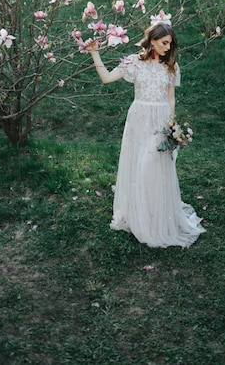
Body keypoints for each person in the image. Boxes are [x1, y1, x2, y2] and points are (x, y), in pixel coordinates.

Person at [84, 19, 205, 248]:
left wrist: (171, 124)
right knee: (138, 166)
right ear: (152, 41)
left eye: (170, 44)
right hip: (138, 119)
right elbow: (107, 78)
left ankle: (156, 216)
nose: (168, 48)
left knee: (152, 165)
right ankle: (140, 214)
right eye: (164, 43)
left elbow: (170, 97)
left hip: (160, 120)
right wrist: (95, 54)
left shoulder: (171, 66)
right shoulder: (134, 63)